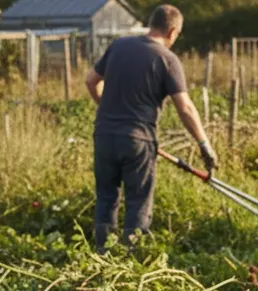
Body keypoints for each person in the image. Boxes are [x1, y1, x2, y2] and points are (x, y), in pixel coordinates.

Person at [85, 4, 215, 251]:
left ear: (151, 23)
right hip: (138, 139)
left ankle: (102, 256)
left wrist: (109, 108)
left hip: (104, 135)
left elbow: (91, 80)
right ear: (173, 31)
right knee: (137, 202)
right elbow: (185, 108)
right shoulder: (167, 59)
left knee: (106, 198)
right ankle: (131, 261)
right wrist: (203, 143)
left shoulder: (119, 46)